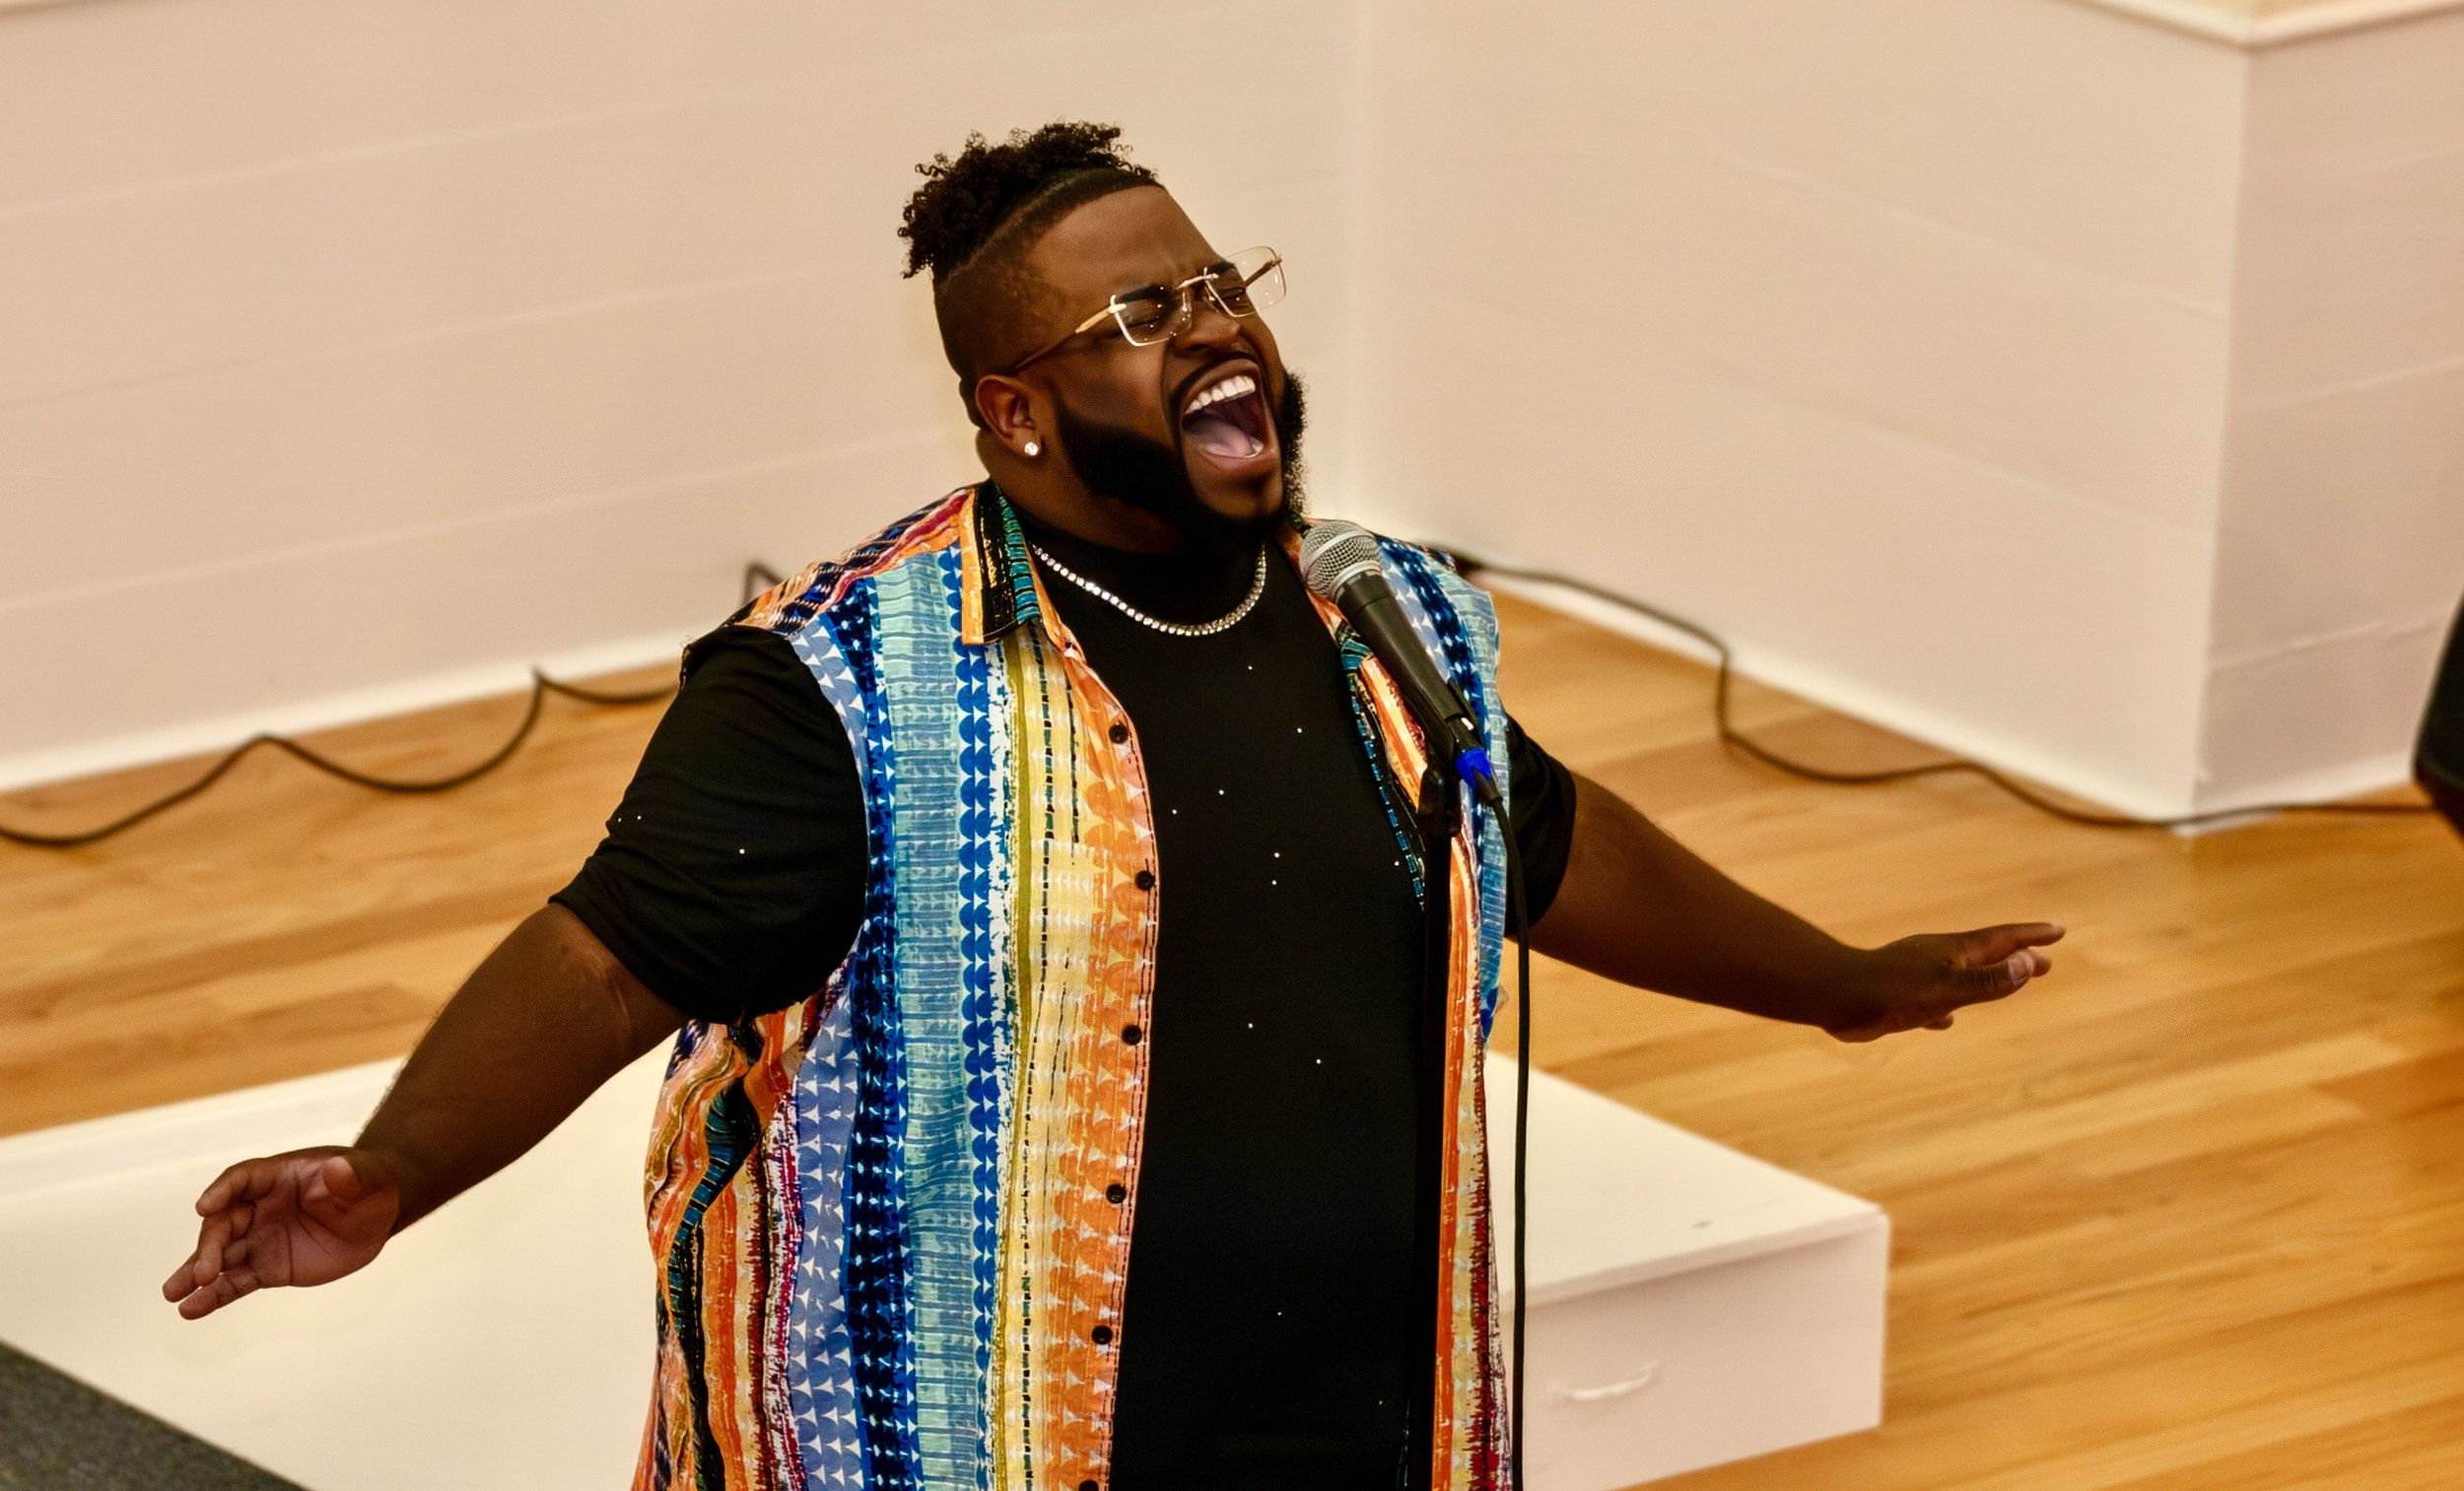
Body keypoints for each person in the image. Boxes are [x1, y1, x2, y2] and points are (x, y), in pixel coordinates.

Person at [163, 122, 2059, 1491]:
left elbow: (1534, 833)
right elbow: (607, 952)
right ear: (1015, 412)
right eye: (1142, 314)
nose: (1215, 327)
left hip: (1360, 1407)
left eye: (1222, 282)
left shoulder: (1372, 613)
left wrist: (1839, 981)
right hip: (971, 1430)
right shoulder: (847, 673)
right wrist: (394, 1168)